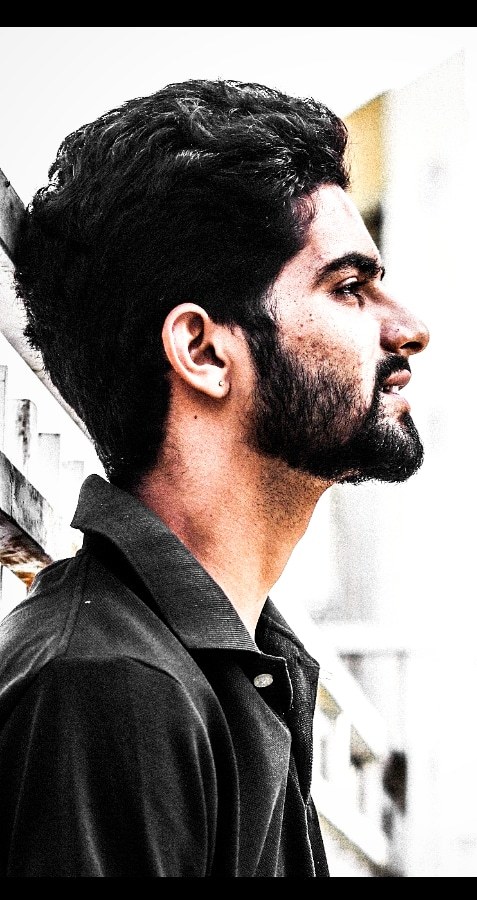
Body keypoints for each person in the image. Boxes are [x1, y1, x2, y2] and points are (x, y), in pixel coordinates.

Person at [0, 79, 429, 877]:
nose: (409, 328)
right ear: (202, 351)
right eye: (348, 288)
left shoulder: (235, 672)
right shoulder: (109, 689)